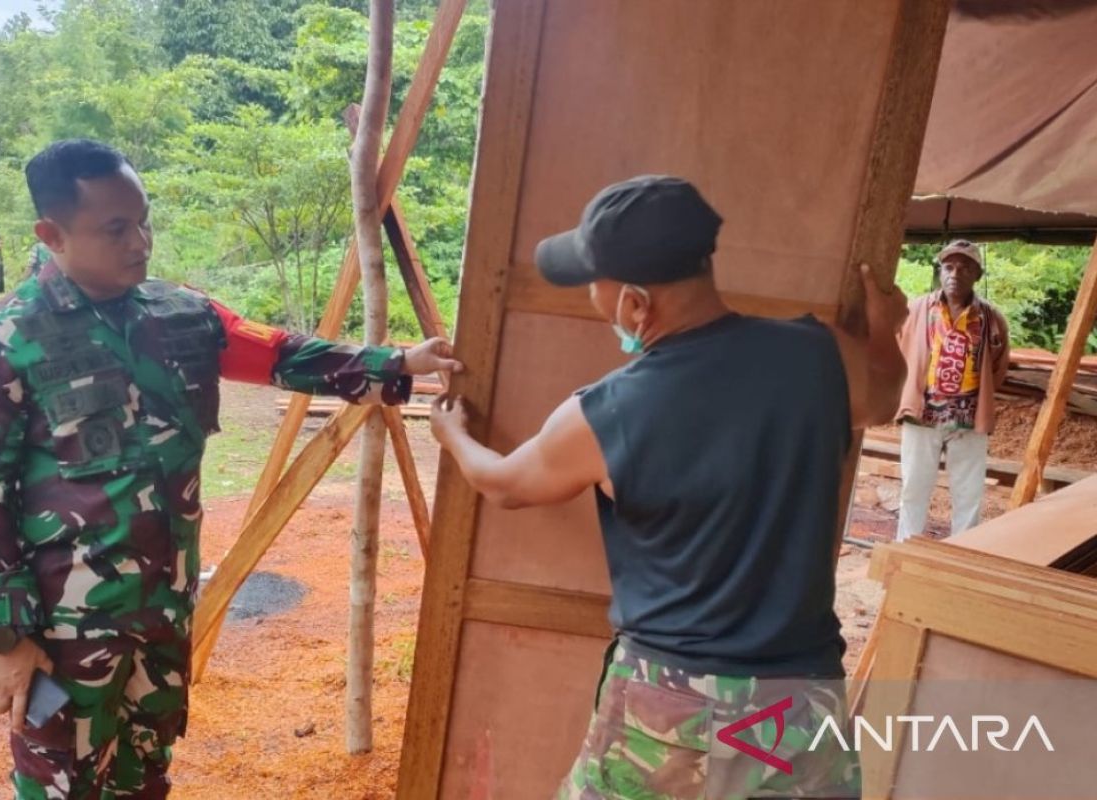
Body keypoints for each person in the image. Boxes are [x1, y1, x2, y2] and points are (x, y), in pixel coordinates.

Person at [0, 138, 461, 798]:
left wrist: (398, 363)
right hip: (64, 625)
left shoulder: (181, 316)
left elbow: (281, 354)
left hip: (164, 605)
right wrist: (4, 636)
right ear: (52, 234)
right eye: (116, 229)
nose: (140, 242)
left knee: (147, 773)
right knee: (63, 785)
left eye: (144, 221)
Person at [428, 175, 909, 799]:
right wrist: (886, 327)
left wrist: (452, 436)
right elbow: (885, 396)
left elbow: (504, 484)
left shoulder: (607, 414)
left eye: (595, 286)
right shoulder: (821, 357)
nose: (593, 299)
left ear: (635, 304)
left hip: (670, 705)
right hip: (799, 698)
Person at [895, 240, 1009, 541]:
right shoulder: (917, 309)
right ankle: (906, 547)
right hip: (922, 415)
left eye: (965, 268)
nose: (955, 274)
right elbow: (896, 348)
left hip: (969, 420)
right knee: (913, 488)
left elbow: (999, 366)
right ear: (940, 271)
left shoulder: (991, 318)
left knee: (969, 492)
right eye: (948, 267)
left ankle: (962, 548)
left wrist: (977, 398)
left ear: (977, 275)